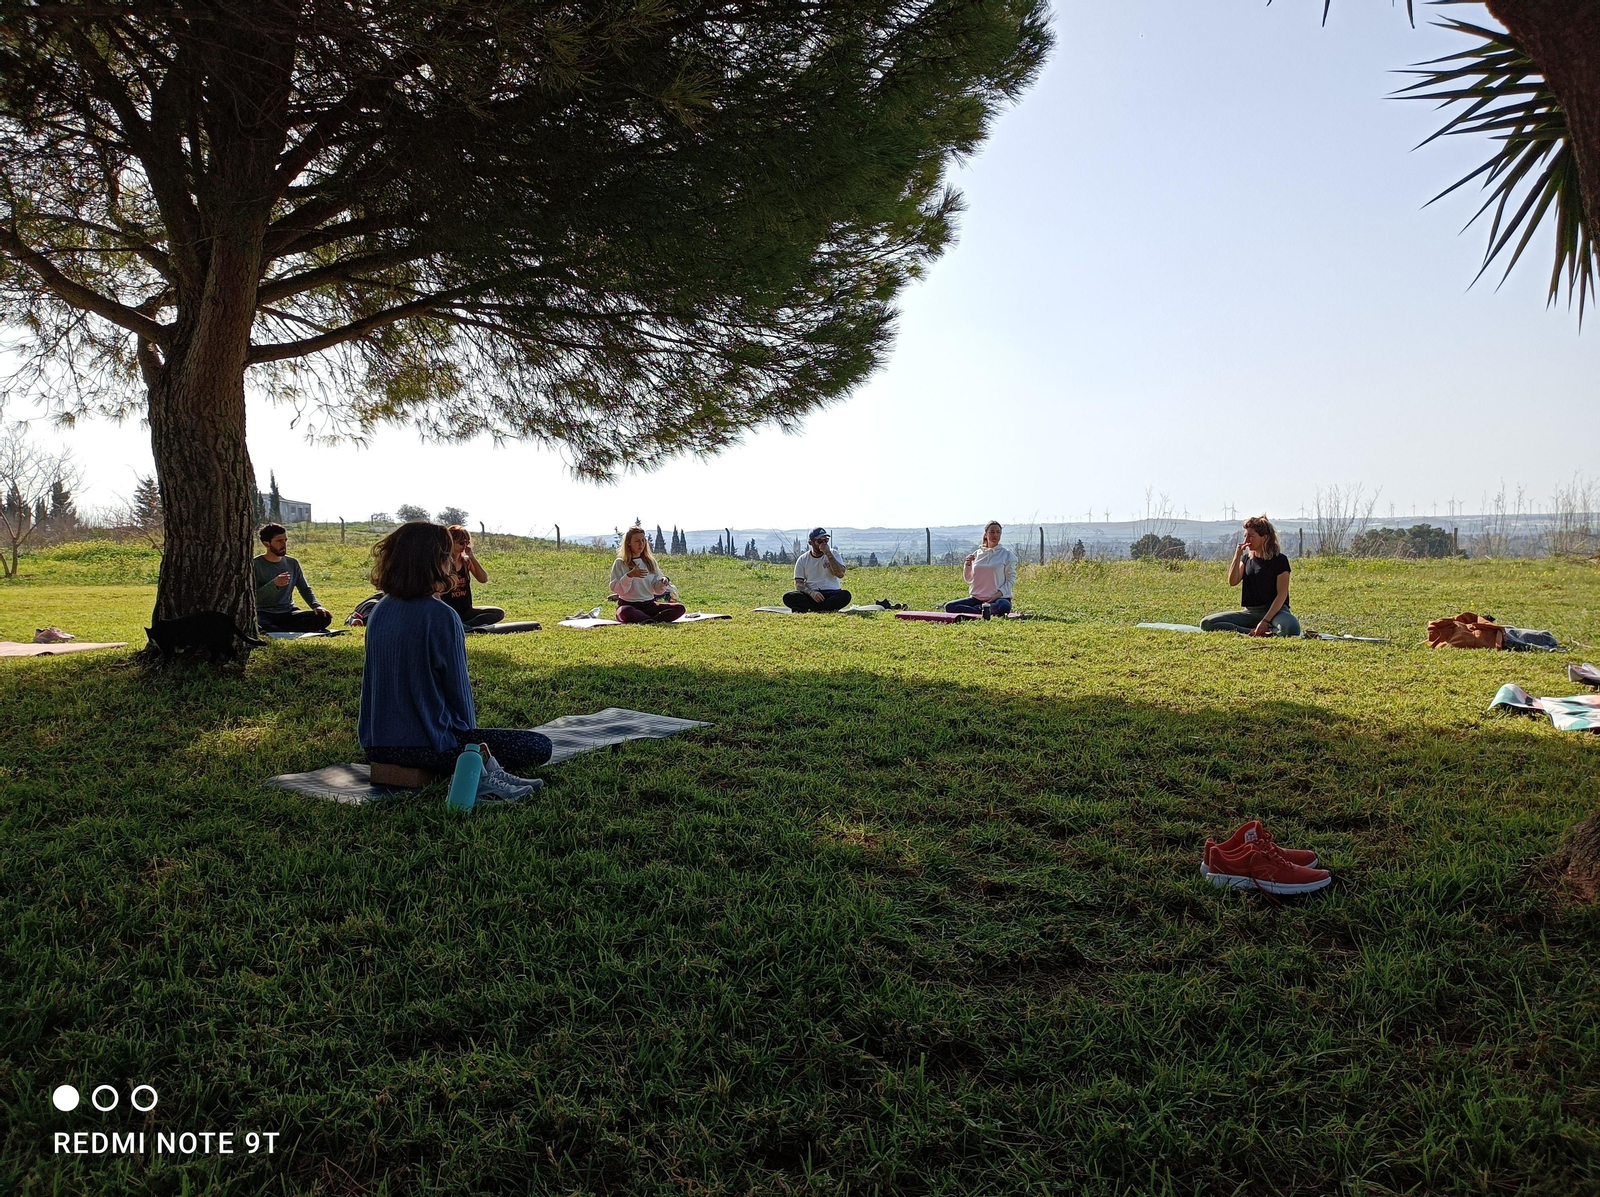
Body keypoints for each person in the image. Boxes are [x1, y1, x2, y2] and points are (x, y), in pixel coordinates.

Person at [359, 520, 550, 798]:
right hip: (429, 745)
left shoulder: (380, 610)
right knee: (538, 745)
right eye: (448, 554)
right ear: (436, 561)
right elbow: (459, 700)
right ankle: (484, 770)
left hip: (376, 744)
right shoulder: (440, 615)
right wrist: (473, 753)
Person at [1201, 515, 1302, 637]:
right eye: (1246, 536)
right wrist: (1237, 555)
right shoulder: (1246, 559)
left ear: (1264, 538)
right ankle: (1252, 632)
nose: (1247, 541)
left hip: (1276, 612)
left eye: (1251, 536)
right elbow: (1233, 581)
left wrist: (1265, 621)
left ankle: (1268, 628)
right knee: (1207, 623)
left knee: (1290, 628)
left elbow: (1282, 594)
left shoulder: (1280, 560)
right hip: (1251, 613)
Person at [253, 523, 332, 632]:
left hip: (288, 612)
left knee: (324, 617)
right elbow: (253, 596)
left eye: (285, 540)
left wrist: (316, 606)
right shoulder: (255, 565)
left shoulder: (292, 563)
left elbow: (304, 589)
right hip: (264, 613)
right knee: (262, 624)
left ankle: (279, 630)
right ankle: (278, 630)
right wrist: (274, 585)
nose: (284, 544)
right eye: (279, 541)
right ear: (267, 544)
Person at [609, 525, 686, 623]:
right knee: (624, 612)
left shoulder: (650, 562)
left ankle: (648, 620)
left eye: (643, 540)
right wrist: (629, 576)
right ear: (629, 543)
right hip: (629, 605)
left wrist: (663, 582)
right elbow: (618, 590)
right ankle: (649, 619)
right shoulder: (620, 563)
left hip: (649, 605)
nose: (641, 544)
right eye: (637, 541)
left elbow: (656, 590)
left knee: (680, 608)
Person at [945, 520, 1016, 617]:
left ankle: (978, 611)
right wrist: (968, 565)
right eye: (992, 532)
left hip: (998, 599)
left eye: (998, 532)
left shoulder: (1006, 555)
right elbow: (969, 579)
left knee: (1004, 606)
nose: (995, 535)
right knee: (949, 606)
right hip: (977, 599)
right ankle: (982, 610)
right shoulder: (977, 554)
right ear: (986, 534)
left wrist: (997, 595)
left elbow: (1010, 580)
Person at [444, 525, 506, 628]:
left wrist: (471, 557)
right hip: (449, 611)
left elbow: (483, 579)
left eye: (467, 543)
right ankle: (459, 625)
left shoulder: (466, 562)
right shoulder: (442, 564)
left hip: (466, 611)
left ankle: (465, 626)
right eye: (461, 543)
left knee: (498, 613)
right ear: (450, 542)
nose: (464, 546)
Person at [784, 527, 851, 612]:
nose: (823, 544)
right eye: (820, 541)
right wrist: (811, 593)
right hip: (811, 594)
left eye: (826, 541)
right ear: (811, 543)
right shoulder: (803, 559)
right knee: (788, 597)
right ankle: (823, 608)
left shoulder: (834, 553)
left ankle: (812, 608)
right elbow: (798, 584)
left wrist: (829, 554)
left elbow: (840, 574)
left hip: (832, 592)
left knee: (845, 595)